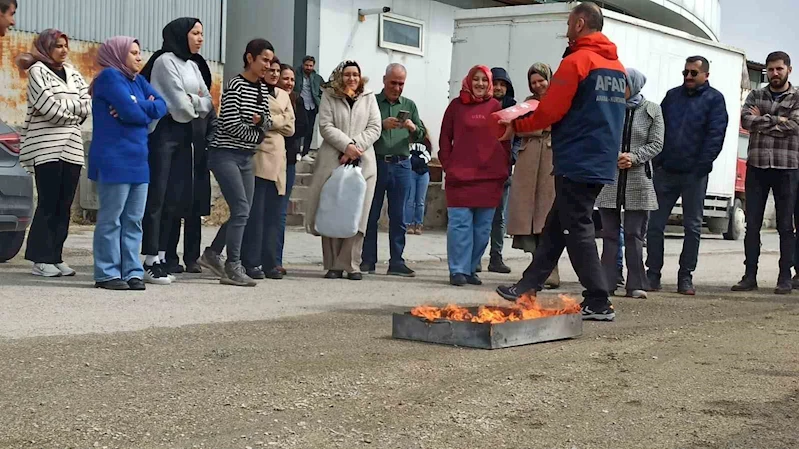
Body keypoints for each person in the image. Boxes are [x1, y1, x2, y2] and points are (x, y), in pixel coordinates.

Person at [496, 2, 626, 321]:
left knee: (576, 227)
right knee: (557, 224)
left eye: (569, 23)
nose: (566, 29)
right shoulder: (617, 68)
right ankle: (527, 287)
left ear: (580, 24)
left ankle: (598, 299)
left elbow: (551, 110)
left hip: (577, 157)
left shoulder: (577, 61)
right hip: (600, 159)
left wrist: (517, 127)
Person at [139, 17, 215, 284]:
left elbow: (209, 102)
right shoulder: (164, 61)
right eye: (195, 33)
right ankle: (149, 258)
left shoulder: (193, 65)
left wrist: (193, 101)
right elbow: (180, 106)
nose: (200, 38)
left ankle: (161, 256)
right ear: (182, 34)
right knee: (157, 196)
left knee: (175, 197)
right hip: (164, 134)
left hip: (184, 136)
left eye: (202, 33)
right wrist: (196, 102)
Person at [88, 36, 168, 290]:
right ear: (118, 54)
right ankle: (107, 273)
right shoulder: (110, 77)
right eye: (133, 52)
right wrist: (142, 108)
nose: (138, 56)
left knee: (133, 219)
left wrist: (136, 105)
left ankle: (131, 270)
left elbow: (163, 106)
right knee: (112, 219)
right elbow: (132, 112)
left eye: (139, 51)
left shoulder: (139, 81)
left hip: (138, 161)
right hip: (114, 159)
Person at [645, 56, 729, 296]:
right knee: (655, 225)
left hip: (694, 174)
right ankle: (653, 275)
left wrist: (701, 167)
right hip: (667, 171)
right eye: (685, 73)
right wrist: (658, 161)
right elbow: (657, 127)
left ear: (706, 75)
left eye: (693, 73)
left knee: (692, 227)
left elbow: (716, 135)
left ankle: (685, 277)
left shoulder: (715, 100)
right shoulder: (672, 96)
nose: (688, 77)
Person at [197, 38, 273, 287]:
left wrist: (258, 123)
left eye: (270, 61)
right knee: (241, 209)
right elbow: (229, 124)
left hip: (246, 157)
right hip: (224, 154)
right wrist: (257, 131)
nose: (268, 66)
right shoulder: (235, 85)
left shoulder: (262, 88)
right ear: (250, 58)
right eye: (264, 60)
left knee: (244, 211)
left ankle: (212, 253)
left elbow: (268, 122)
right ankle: (233, 266)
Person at [17, 29, 92, 278]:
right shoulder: (38, 70)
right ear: (46, 47)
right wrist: (73, 113)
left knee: (64, 205)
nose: (63, 50)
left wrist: (71, 109)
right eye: (58, 46)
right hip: (46, 146)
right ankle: (40, 258)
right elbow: (47, 106)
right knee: (48, 203)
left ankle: (55, 256)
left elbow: (87, 103)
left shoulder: (72, 72)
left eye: (65, 46)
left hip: (71, 146)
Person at [304, 60, 382, 281]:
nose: (352, 79)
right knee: (331, 210)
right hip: (333, 160)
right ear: (340, 76)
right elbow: (325, 125)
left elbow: (375, 127)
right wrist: (345, 146)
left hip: (363, 161)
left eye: (355, 74)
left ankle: (351, 264)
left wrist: (355, 147)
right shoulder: (330, 95)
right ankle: (332, 265)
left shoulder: (369, 96)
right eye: (347, 74)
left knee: (358, 214)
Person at [439, 65, 510, 287]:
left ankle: (471, 268)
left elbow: (505, 141)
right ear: (468, 81)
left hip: (489, 178)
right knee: (460, 226)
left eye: (484, 80)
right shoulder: (455, 107)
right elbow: (444, 138)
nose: (480, 84)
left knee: (482, 228)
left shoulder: (496, 107)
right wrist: (448, 165)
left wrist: (503, 168)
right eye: (476, 79)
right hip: (460, 178)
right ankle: (457, 270)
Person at [596, 68, 664, 299]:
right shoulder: (609, 107)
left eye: (623, 84)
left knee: (635, 234)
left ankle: (636, 283)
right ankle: (607, 282)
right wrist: (613, 155)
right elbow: (600, 136)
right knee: (609, 234)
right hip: (610, 178)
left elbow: (657, 143)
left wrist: (634, 157)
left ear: (634, 85)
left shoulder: (652, 110)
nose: (618, 89)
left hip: (638, 179)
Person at [734, 52, 799, 294]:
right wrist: (778, 121)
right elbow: (746, 121)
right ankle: (749, 275)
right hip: (758, 166)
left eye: (779, 69)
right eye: (770, 70)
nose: (774, 74)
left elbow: (795, 126)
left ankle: (784, 276)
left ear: (788, 70)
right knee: (752, 224)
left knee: (785, 225)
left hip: (787, 167)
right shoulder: (755, 94)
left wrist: (764, 119)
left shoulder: (797, 96)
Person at [361, 63, 424, 277]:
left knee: (399, 216)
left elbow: (422, 134)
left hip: (402, 164)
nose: (397, 88)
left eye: (401, 83)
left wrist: (413, 128)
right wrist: (380, 126)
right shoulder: (371, 102)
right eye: (393, 83)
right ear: (384, 80)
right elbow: (361, 130)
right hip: (376, 162)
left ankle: (396, 261)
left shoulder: (410, 105)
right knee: (371, 214)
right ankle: (367, 260)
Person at [506, 62, 560, 290]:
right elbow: (517, 127)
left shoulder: (560, 100)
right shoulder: (527, 104)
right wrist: (538, 126)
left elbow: (555, 124)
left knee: (547, 216)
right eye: (534, 82)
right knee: (528, 217)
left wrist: (534, 126)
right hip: (528, 161)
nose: (538, 85)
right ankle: (536, 266)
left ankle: (551, 270)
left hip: (550, 159)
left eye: (541, 80)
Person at [242, 57, 295, 280]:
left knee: (274, 214)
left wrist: (268, 120)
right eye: (270, 70)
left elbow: (291, 127)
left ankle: (271, 261)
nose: (274, 74)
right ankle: (251, 261)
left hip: (279, 159)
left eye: (277, 71)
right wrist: (278, 120)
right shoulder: (256, 91)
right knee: (257, 213)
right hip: (260, 155)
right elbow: (253, 120)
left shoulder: (283, 95)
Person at [484, 66, 520, 274]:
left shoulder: (515, 109)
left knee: (499, 218)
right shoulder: (482, 106)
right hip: (481, 170)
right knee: (479, 216)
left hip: (503, 170)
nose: (498, 88)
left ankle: (495, 257)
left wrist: (512, 156)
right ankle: (473, 258)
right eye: (495, 83)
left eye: (502, 84)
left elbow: (520, 137)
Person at [275, 63, 309, 274]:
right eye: (284, 78)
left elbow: (301, 128)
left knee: (280, 213)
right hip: (268, 159)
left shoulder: (298, 100)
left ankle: (276, 260)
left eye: (291, 80)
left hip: (288, 161)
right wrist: (284, 123)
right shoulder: (271, 97)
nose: (288, 83)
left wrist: (286, 125)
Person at [294, 55, 324, 162]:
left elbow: (323, 91)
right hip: (300, 106)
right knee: (299, 129)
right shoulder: (296, 75)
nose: (308, 67)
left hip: (312, 106)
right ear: (303, 65)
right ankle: (297, 151)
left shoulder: (317, 78)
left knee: (309, 130)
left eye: (311, 65)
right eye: (306, 65)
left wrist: (319, 103)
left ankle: (305, 153)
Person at [406, 124, 432, 235]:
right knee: (410, 200)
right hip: (411, 172)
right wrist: (417, 160)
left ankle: (419, 224)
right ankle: (409, 223)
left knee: (420, 201)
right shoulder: (406, 141)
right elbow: (407, 156)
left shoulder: (426, 142)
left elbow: (427, 157)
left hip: (423, 173)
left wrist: (416, 160)